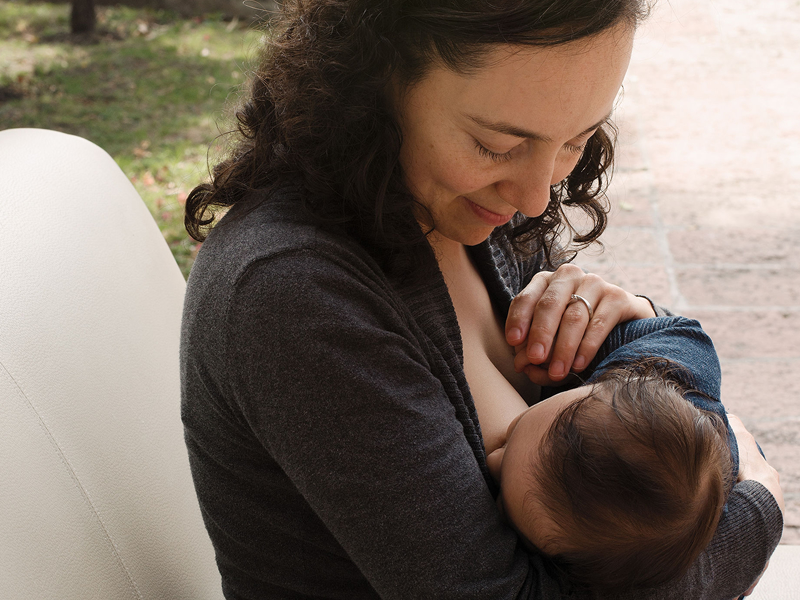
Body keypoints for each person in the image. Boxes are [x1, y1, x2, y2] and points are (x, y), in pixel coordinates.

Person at [180, 1, 784, 598]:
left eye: (579, 138)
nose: (536, 198)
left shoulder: (461, 217)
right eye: (497, 146)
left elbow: (645, 491)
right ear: (372, 84)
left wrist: (633, 334)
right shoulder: (296, 295)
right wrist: (750, 517)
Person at [487, 316, 740, 594]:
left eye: (501, 503)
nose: (491, 460)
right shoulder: (670, 369)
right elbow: (687, 331)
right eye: (515, 428)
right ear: (596, 383)